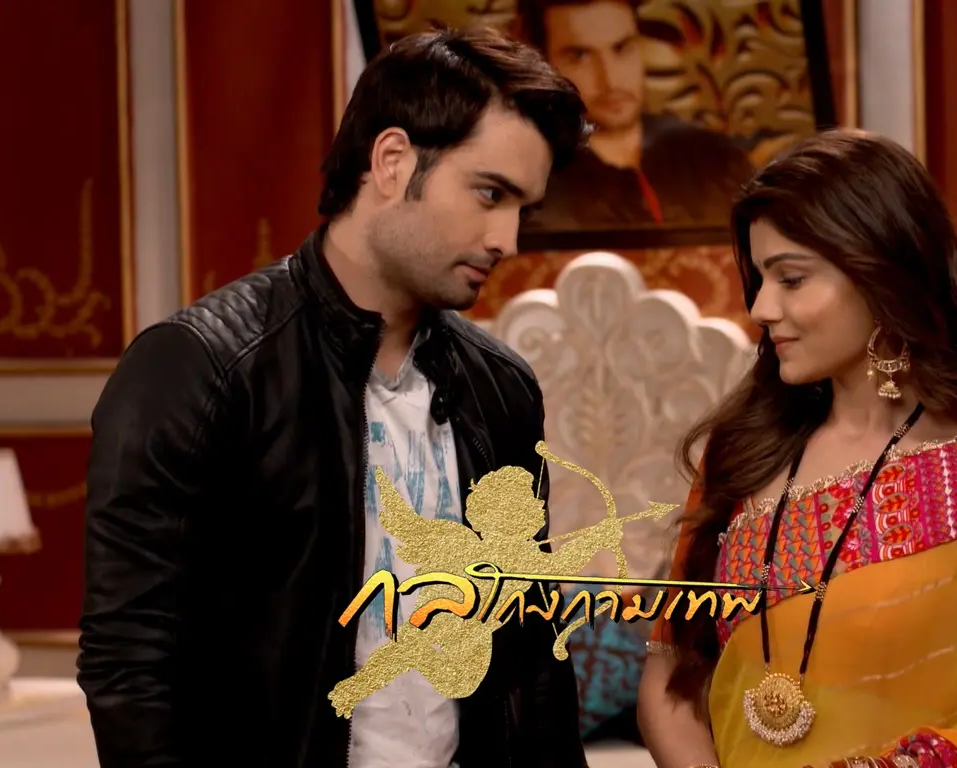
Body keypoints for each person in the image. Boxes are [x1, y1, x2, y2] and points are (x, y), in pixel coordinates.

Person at [78, 27, 591, 768]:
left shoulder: (500, 387)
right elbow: (129, 660)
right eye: (489, 193)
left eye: (523, 209)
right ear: (392, 162)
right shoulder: (200, 367)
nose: (508, 238)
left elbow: (533, 659)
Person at [635, 129, 957, 768]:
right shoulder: (739, 454)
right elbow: (670, 682)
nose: (762, 306)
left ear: (880, 275)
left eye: (791, 278)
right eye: (760, 278)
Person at [518, 0, 754, 230]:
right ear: (544, 65)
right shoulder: (533, 182)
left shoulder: (718, 160)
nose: (610, 79)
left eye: (622, 48)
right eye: (580, 56)